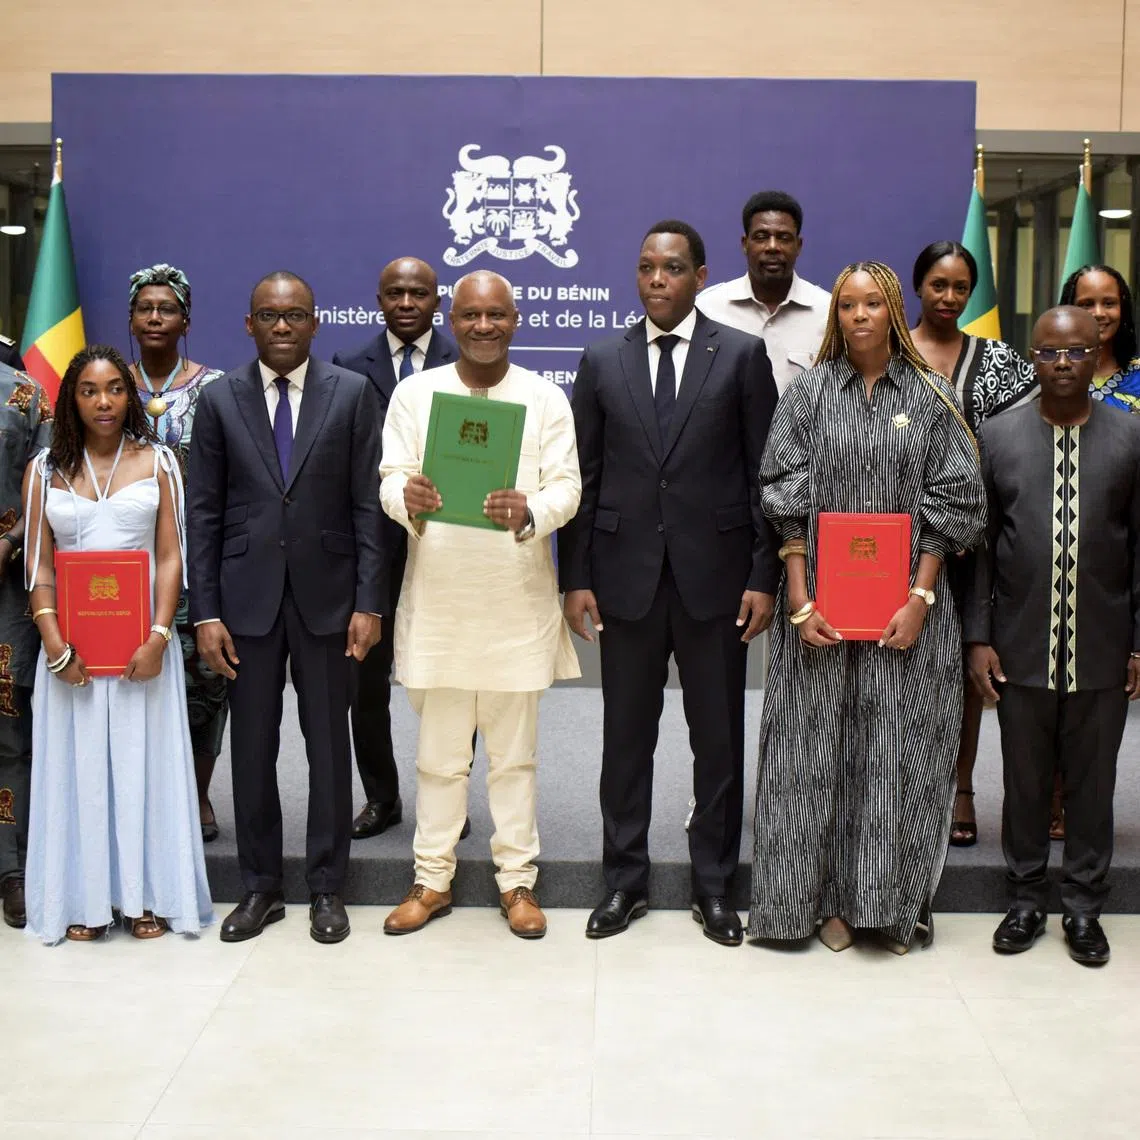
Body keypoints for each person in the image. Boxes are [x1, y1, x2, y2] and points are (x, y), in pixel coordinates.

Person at [749, 261, 985, 954]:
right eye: (847, 305)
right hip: (817, 612)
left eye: (872, 304)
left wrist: (918, 597)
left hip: (908, 616)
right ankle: (819, 904)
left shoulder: (935, 396)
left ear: (891, 313)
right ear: (835, 316)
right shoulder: (810, 393)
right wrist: (797, 592)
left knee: (895, 755)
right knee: (814, 753)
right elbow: (781, 489)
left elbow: (957, 503)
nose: (858, 316)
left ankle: (890, 901)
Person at [559, 220, 779, 948]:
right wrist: (577, 577)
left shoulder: (742, 356)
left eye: (673, 268)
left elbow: (762, 480)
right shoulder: (601, 359)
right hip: (624, 582)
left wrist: (761, 575)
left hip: (716, 584)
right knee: (626, 740)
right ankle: (624, 882)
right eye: (647, 267)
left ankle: (714, 886)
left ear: (701, 276)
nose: (658, 279)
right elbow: (584, 479)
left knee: (716, 741)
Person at [380, 270, 580, 939]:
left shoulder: (546, 398)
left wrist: (532, 512)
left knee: (515, 758)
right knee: (438, 757)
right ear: (451, 319)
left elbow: (567, 487)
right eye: (470, 316)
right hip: (439, 600)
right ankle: (430, 880)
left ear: (516, 320)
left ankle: (517, 883)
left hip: (514, 606)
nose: (484, 327)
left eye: (496, 315)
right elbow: (389, 477)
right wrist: (405, 499)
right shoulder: (416, 393)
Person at [187, 271, 384, 945]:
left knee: (330, 748)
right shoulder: (217, 401)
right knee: (252, 748)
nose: (281, 326)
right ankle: (260, 888)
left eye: (294, 315)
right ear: (248, 325)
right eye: (268, 315)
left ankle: (328, 888)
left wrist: (370, 602)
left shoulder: (352, 394)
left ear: (314, 323)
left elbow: (367, 508)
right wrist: (205, 612)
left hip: (331, 600)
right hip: (245, 605)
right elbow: (204, 515)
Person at [966, 306, 1140, 967]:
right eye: (1048, 354)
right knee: (1026, 780)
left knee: (1095, 785)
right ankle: (1024, 900)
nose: (1062, 365)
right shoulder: (999, 435)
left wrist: (1137, 642)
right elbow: (980, 548)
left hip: (1101, 642)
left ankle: (1085, 909)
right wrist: (978, 638)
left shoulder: (1130, 438)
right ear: (1030, 358)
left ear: (1098, 356)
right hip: (1019, 644)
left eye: (1076, 353)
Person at [22, 345, 213, 944]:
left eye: (114, 389)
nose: (103, 401)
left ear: (130, 397)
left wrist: (160, 636)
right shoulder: (42, 472)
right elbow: (38, 567)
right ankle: (83, 900)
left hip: (140, 653)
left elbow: (170, 557)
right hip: (71, 655)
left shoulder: (159, 463)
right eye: (88, 390)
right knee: (76, 770)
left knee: (141, 765)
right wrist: (54, 646)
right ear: (70, 400)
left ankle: (144, 896)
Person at [909, 240, 1039, 848]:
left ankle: (961, 788)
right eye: (939, 284)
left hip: (974, 547)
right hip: (898, 545)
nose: (949, 297)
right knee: (903, 668)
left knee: (968, 669)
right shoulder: (891, 349)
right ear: (918, 286)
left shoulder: (999, 361)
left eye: (961, 287)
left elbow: (1024, 442)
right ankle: (902, 788)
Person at [332, 257, 458, 842]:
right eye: (395, 293)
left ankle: (449, 798)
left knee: (451, 682)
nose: (407, 302)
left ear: (438, 300)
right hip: (371, 547)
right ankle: (381, 797)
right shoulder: (347, 366)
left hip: (448, 543)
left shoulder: (468, 362)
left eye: (419, 293)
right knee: (368, 683)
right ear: (378, 300)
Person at [127, 263, 228, 844]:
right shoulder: (109, 383)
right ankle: (139, 794)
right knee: (130, 677)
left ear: (186, 319)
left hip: (198, 562)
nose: (157, 316)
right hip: (124, 564)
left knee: (204, 683)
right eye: (146, 308)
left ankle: (197, 792)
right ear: (134, 319)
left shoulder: (215, 389)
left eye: (167, 308)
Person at [0, 362, 52, 929]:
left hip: (6, 586)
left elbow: (47, 485)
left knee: (9, 727)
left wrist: (11, 541)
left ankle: (13, 869)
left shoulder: (24, 392)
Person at [696, 190, 829, 395]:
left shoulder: (828, 312)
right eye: (761, 237)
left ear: (798, 245)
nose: (772, 247)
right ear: (744, 244)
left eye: (783, 238)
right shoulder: (707, 309)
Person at [1060, 264, 1140, 414]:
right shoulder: (1045, 375)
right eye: (1087, 304)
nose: (1098, 313)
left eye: (1109, 303)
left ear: (1123, 309)